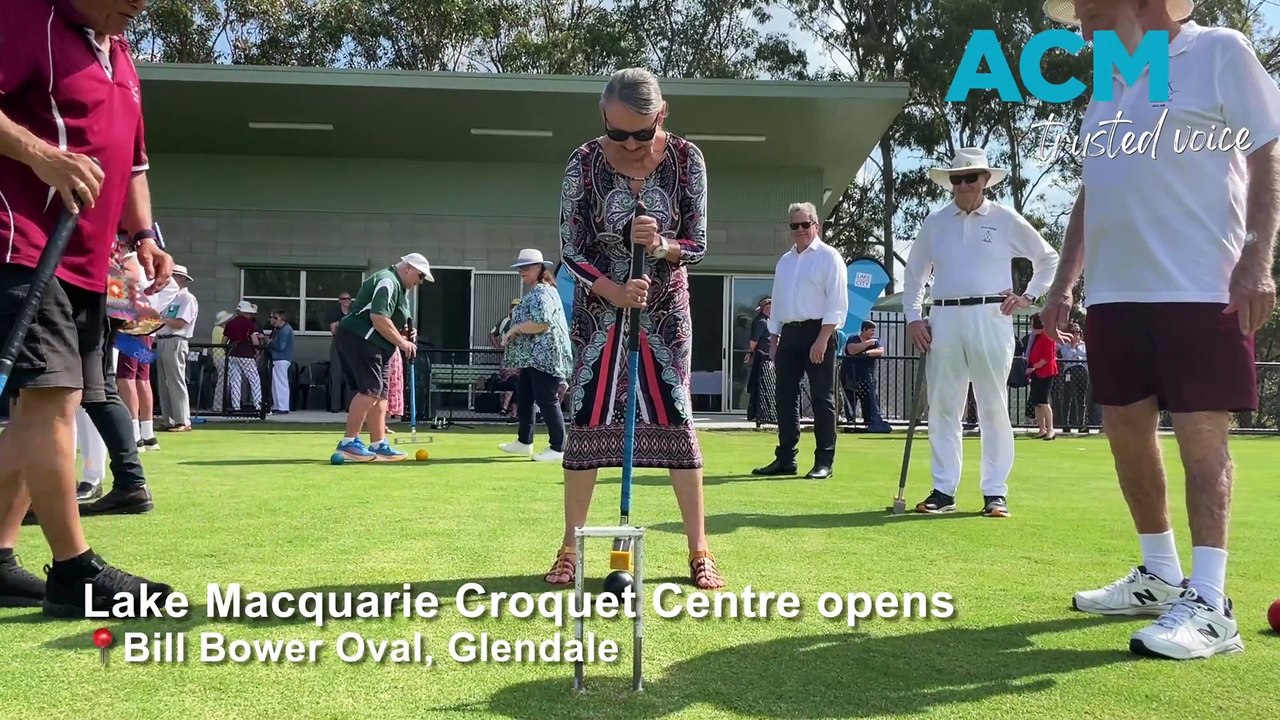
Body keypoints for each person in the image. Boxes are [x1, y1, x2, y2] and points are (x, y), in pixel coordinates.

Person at [1041, 0, 1280, 660]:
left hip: (1200, 287)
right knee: (1124, 431)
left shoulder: (1220, 51)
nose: (1081, 22)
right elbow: (1093, 188)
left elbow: (1267, 152)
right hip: (1116, 294)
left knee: (1202, 438)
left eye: (1092, 7)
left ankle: (1211, 603)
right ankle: (1159, 573)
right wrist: (1064, 283)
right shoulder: (1107, 84)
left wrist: (1258, 258)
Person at [0, 0, 175, 616]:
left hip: (88, 264)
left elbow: (134, 162)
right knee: (50, 398)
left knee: (44, 409)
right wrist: (40, 154)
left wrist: (145, 234)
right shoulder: (23, 16)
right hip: (23, 244)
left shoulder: (120, 53)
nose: (140, 4)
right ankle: (74, 571)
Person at [548, 67, 724, 590]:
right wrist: (613, 289)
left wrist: (662, 246)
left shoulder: (688, 160)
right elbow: (571, 248)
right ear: (603, 116)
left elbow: (697, 244)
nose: (628, 144)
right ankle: (570, 546)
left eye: (642, 133)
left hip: (664, 310)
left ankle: (699, 548)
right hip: (598, 310)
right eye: (617, 132)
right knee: (587, 415)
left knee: (676, 414)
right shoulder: (582, 163)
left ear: (662, 114)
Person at [902, 147, 1059, 518]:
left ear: (986, 179)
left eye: (970, 177)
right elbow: (915, 273)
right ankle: (944, 489)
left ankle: (995, 492)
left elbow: (1048, 257)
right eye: (957, 178)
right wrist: (913, 317)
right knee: (943, 405)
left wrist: (1028, 296)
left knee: (992, 404)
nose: (963, 185)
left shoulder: (1005, 218)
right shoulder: (935, 222)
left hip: (991, 315)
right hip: (944, 317)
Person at [751, 202, 848, 480]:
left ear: (816, 225)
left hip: (819, 331)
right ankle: (786, 458)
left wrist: (823, 339)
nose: (800, 229)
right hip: (789, 334)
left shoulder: (830, 257)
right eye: (795, 225)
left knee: (821, 399)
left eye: (805, 224)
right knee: (784, 397)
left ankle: (824, 462)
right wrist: (774, 340)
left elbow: (837, 303)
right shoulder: (785, 261)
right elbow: (779, 302)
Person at [334, 254, 432, 462]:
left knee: (381, 393)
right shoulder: (387, 281)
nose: (421, 281)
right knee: (370, 390)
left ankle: (378, 444)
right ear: (408, 268)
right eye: (420, 275)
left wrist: (403, 332)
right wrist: (402, 343)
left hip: (378, 344)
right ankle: (348, 442)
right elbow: (378, 317)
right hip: (361, 338)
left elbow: (390, 320)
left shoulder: (399, 287)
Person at [498, 248, 574, 462]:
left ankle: (558, 447)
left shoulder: (542, 292)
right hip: (534, 358)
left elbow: (542, 323)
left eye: (527, 267)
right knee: (525, 396)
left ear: (540, 268)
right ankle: (524, 442)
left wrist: (515, 329)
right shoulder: (541, 290)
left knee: (547, 400)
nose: (522, 271)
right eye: (520, 268)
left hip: (545, 357)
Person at [153, 265, 197, 430]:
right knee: (163, 382)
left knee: (176, 380)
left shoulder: (187, 298)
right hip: (162, 340)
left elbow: (180, 323)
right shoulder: (167, 298)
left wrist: (158, 319)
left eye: (173, 276)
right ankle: (169, 419)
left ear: (182, 279)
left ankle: (183, 420)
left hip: (176, 340)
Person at [841, 320, 892, 432]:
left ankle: (869, 422)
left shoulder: (876, 341)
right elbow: (851, 350)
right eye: (871, 330)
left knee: (869, 400)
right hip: (851, 376)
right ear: (864, 330)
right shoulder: (854, 338)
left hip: (868, 377)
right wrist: (867, 344)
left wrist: (866, 353)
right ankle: (850, 423)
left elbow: (880, 351)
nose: (873, 333)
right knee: (851, 400)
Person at [223, 301, 263, 412]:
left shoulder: (230, 323)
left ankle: (236, 406)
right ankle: (258, 405)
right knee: (254, 379)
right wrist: (257, 351)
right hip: (246, 354)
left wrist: (227, 351)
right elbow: (254, 340)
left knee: (235, 381)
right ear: (246, 312)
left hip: (232, 354)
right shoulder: (250, 324)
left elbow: (224, 341)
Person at [1025, 315, 1059, 440]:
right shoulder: (1036, 337)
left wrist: (1033, 367)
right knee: (1037, 402)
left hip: (1046, 372)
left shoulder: (1047, 336)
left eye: (1032, 323)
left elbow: (1047, 358)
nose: (1030, 326)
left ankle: (1051, 429)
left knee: (1044, 401)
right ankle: (1042, 429)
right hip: (1036, 373)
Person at [744, 297, 772, 423]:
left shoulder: (767, 321)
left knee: (764, 385)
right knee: (757, 384)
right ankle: (754, 413)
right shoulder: (761, 321)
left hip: (766, 356)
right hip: (761, 356)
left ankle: (762, 412)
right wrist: (751, 353)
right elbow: (753, 341)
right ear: (766, 308)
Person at [327, 291, 353, 412]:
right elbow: (333, 331)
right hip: (338, 345)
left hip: (351, 347)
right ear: (339, 301)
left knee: (350, 375)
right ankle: (335, 406)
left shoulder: (353, 313)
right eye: (343, 299)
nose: (346, 301)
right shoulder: (335, 313)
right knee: (336, 375)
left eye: (348, 299)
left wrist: (340, 325)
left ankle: (350, 406)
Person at [268, 309, 294, 414]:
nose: (274, 320)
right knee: (276, 384)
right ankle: (277, 405)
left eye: (276, 318)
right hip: (278, 359)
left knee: (281, 383)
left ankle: (283, 406)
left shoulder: (285, 330)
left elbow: (280, 346)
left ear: (282, 319)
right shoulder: (279, 330)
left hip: (281, 358)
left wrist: (270, 342)